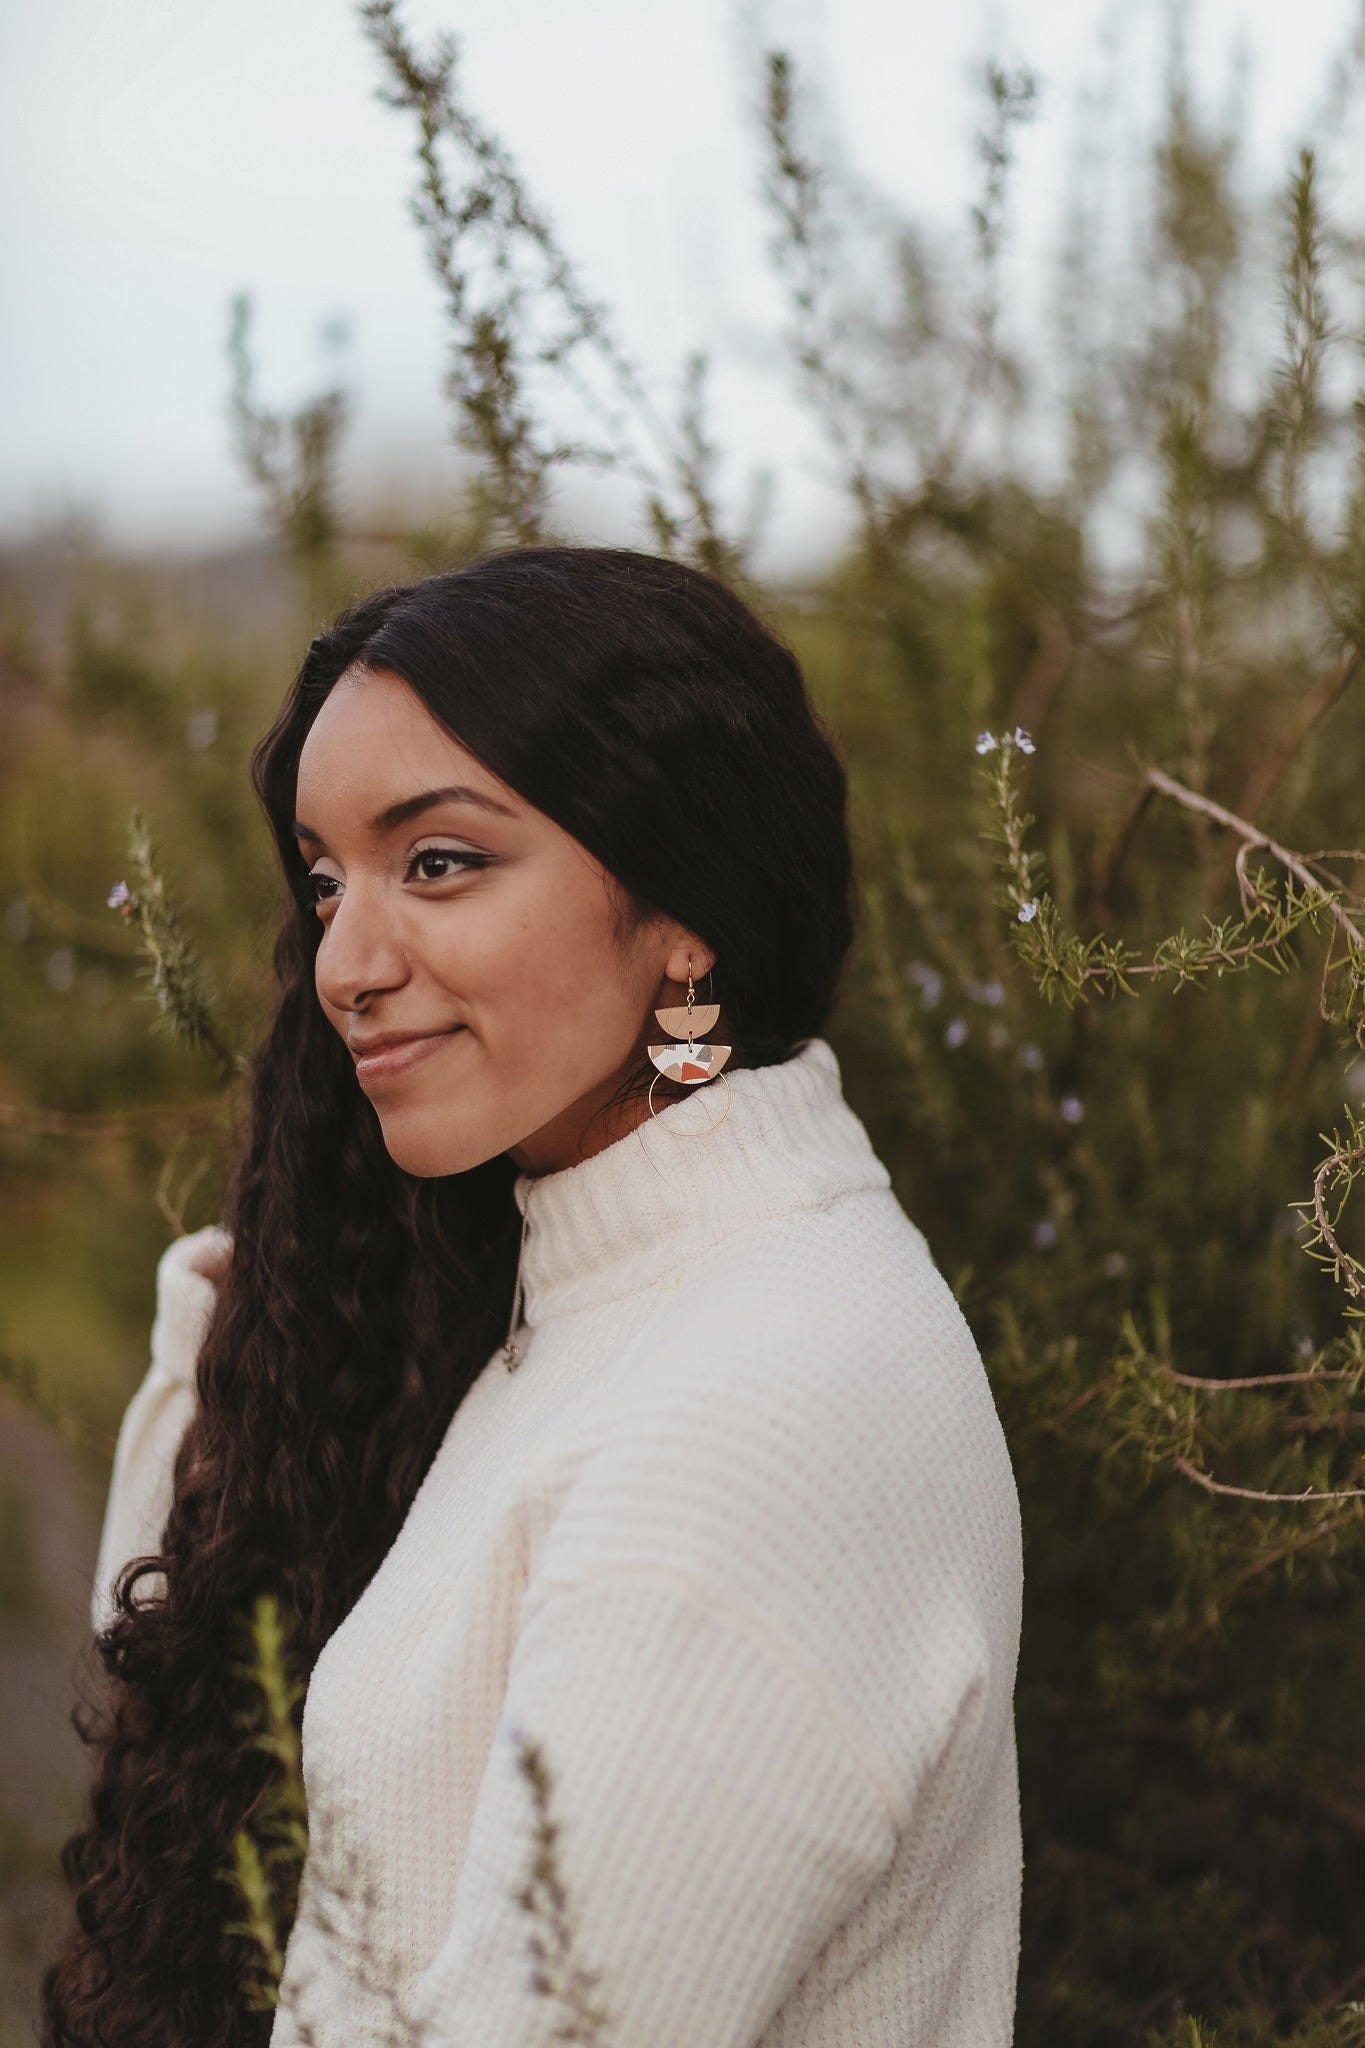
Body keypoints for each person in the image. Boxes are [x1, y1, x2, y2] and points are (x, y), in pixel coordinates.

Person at [44, 546, 1024, 2048]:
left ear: (681, 909)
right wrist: (236, 1350)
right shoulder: (588, 1293)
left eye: (438, 862)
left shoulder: (758, 1414)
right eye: (325, 880)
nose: (344, 965)